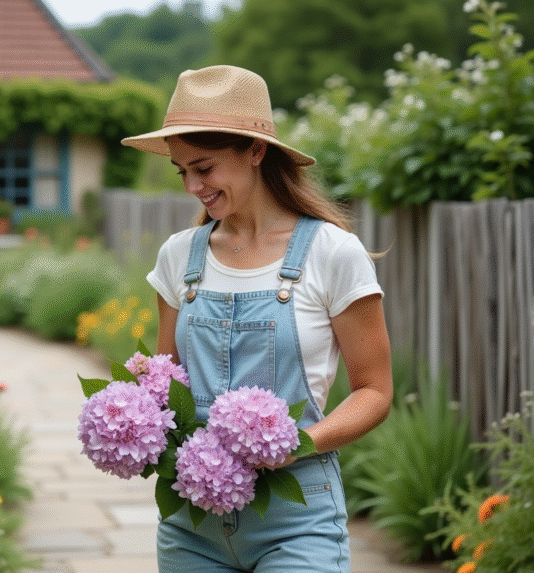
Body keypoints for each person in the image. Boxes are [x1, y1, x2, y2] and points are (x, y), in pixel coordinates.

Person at [121, 65, 393, 572]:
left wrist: (296, 446)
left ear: (256, 151)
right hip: (191, 523)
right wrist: (132, 422)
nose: (192, 187)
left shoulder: (332, 253)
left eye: (204, 167)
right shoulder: (180, 257)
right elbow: (166, 382)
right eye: (182, 171)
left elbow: (374, 392)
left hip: (298, 520)